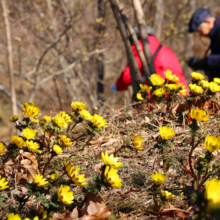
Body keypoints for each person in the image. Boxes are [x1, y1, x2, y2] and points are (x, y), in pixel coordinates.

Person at [110, 27, 188, 94]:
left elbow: (128, 75)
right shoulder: (165, 49)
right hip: (181, 91)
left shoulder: (139, 47)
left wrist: (118, 86)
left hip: (161, 93)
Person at [187, 8, 220, 81]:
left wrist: (206, 61)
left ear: (208, 22)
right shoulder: (215, 34)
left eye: (199, 30)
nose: (200, 34)